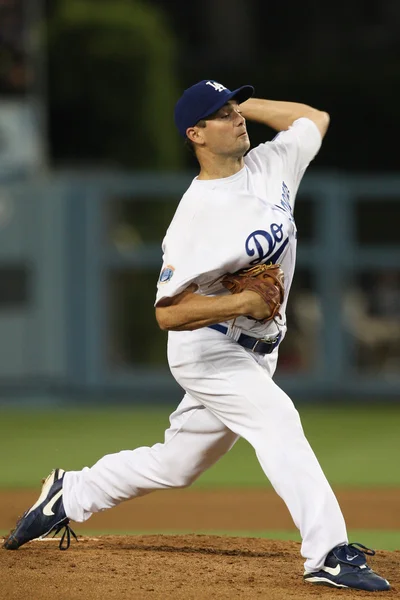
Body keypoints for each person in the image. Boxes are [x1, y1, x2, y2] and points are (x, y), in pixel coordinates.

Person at [3, 80, 390, 592]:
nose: (237, 120)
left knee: (179, 463)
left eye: (235, 110)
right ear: (196, 134)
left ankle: (70, 493)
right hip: (209, 347)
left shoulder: (273, 164)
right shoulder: (195, 217)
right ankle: (328, 554)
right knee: (279, 421)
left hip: (258, 349)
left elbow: (312, 118)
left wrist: (242, 102)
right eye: (222, 115)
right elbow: (167, 313)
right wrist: (242, 301)